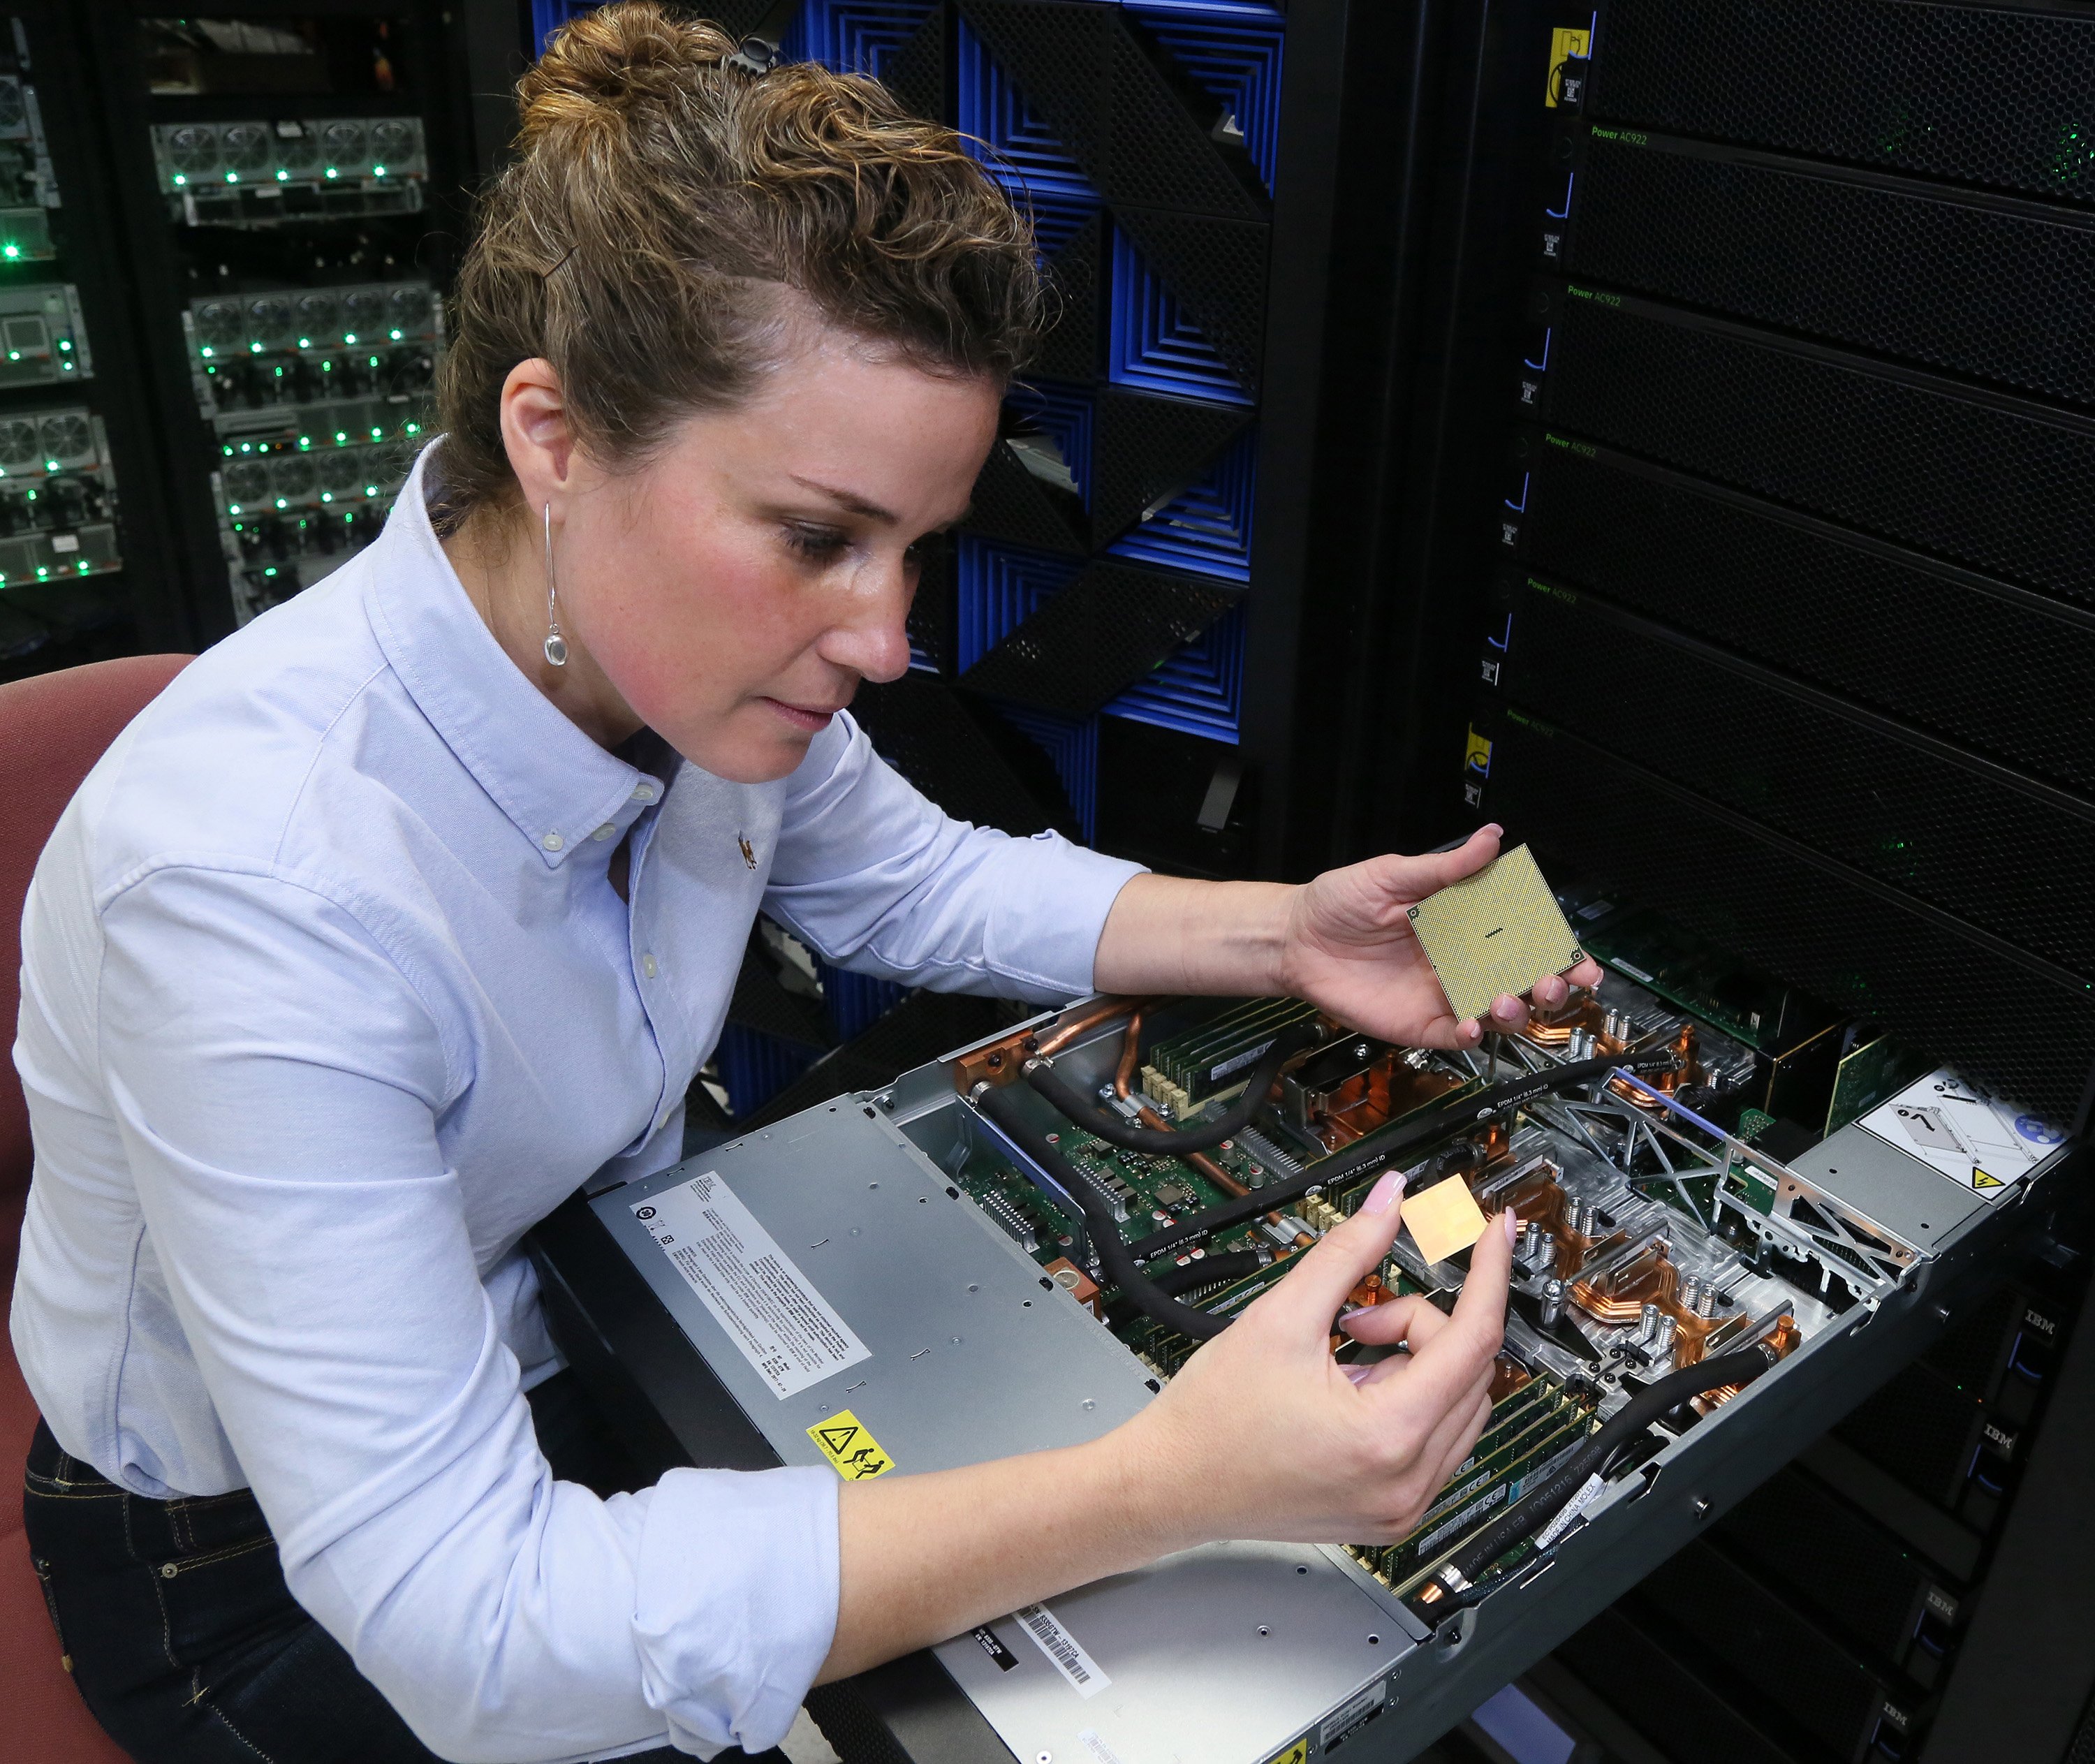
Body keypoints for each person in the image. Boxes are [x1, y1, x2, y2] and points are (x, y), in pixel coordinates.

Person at [10, 8, 1600, 1761]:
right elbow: (482, 1633)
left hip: (589, 1341)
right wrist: (1170, 1484)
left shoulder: (679, 666)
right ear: (556, 437)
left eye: (915, 549)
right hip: (242, 1573)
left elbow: (918, 883)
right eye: (820, 537)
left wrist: (1285, 933)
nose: (889, 640)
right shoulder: (259, 894)